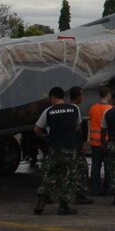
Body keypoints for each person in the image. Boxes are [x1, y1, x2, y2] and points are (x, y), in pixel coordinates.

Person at [32, 86, 81, 216]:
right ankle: (63, 205)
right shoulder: (74, 108)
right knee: (68, 176)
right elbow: (77, 126)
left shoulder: (48, 111)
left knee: (50, 174)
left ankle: (42, 198)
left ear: (52, 98)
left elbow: (36, 129)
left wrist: (46, 139)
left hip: (55, 148)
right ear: (62, 97)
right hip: (70, 148)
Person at [67, 86, 93, 204]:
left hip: (65, 144)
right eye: (81, 95)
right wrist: (81, 144)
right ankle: (80, 194)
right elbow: (79, 128)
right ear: (77, 96)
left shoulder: (65, 108)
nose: (83, 97)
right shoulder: (75, 109)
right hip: (75, 145)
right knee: (82, 169)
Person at [87, 90, 112, 196]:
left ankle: (95, 189)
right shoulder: (110, 109)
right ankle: (107, 189)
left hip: (94, 142)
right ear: (108, 95)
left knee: (95, 167)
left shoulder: (92, 108)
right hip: (106, 141)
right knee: (108, 167)